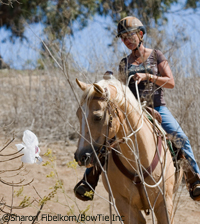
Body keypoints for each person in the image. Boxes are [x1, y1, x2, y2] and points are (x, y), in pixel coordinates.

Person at [74, 16, 200, 201]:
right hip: (131, 110)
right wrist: (111, 80)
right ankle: (89, 180)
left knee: (180, 137)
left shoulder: (157, 55)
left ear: (140, 34)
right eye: (123, 38)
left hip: (157, 107)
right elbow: (122, 89)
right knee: (107, 139)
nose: (126, 40)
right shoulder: (124, 63)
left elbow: (170, 82)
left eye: (129, 36)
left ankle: (194, 180)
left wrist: (148, 76)